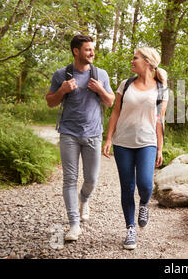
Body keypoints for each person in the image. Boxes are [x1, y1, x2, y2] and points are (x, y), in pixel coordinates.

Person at [46, 35, 115, 241]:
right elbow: (50, 102)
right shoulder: (62, 74)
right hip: (69, 133)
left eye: (93, 49)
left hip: (93, 134)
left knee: (91, 179)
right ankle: (74, 224)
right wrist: (62, 90)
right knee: (69, 179)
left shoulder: (100, 74)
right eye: (88, 49)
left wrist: (100, 89)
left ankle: (84, 199)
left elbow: (110, 102)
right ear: (76, 51)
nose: (92, 53)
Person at [102, 47, 168, 250]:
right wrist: (109, 138)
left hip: (148, 142)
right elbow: (115, 112)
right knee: (128, 186)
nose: (132, 61)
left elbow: (160, 120)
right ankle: (130, 229)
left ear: (148, 62)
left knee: (146, 184)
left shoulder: (161, 89)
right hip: (123, 143)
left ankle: (144, 205)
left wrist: (159, 148)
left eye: (135, 58)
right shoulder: (126, 84)